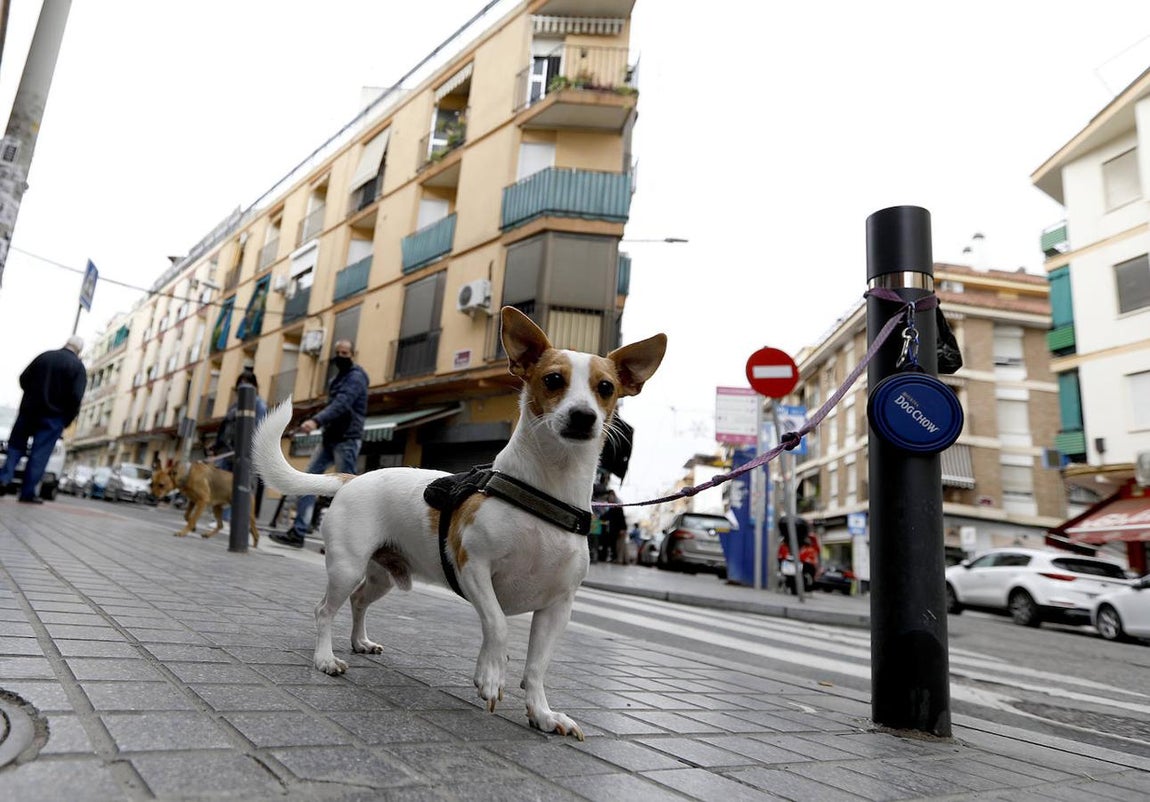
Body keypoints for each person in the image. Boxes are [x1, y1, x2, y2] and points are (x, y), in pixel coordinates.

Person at [270, 339, 368, 548]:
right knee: (308, 482)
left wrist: (316, 420)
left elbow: (342, 404)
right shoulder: (336, 379)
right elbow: (332, 404)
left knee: (347, 492)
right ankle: (298, 532)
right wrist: (315, 419)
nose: (340, 356)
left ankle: (342, 542)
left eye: (345, 353)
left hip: (347, 440)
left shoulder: (356, 378)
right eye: (338, 352)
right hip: (329, 439)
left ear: (352, 354)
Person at [0, 336, 87, 504]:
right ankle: (27, 493)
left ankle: (4, 479)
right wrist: (66, 420)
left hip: (29, 411)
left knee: (16, 447)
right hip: (53, 418)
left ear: (66, 343)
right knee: (39, 454)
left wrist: (32, 396)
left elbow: (23, 379)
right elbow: (76, 398)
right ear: (79, 350)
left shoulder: (45, 357)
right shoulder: (77, 367)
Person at [213, 369, 269, 522]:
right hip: (229, 452)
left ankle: (233, 520)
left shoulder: (259, 405)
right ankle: (223, 519)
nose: (242, 386)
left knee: (241, 485)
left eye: (247, 383)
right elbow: (226, 426)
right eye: (240, 383)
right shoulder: (235, 405)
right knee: (225, 486)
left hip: (245, 454)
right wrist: (218, 445)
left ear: (255, 386)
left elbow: (258, 430)